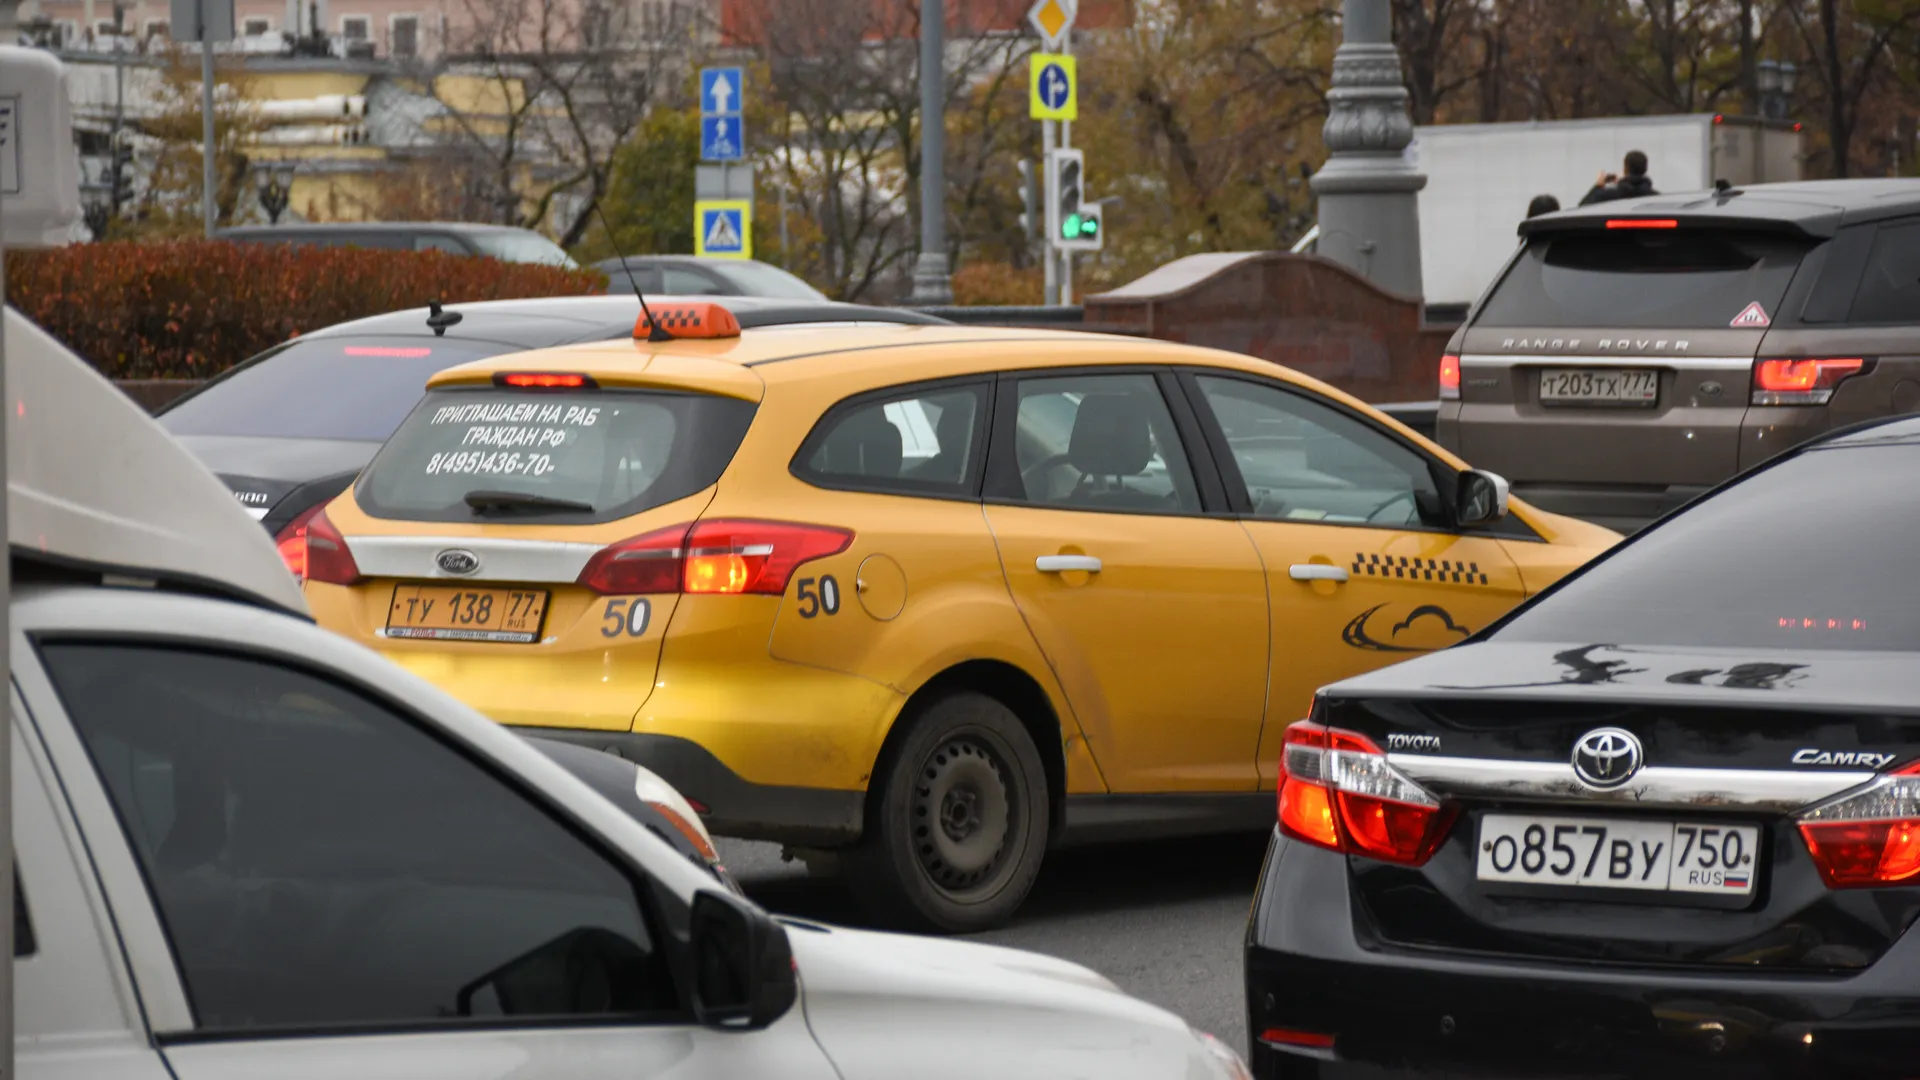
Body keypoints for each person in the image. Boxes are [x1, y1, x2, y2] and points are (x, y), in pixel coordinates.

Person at [1580, 150, 1657, 205]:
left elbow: (1582, 208)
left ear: (1625, 168)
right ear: (1646, 168)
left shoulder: (1607, 195)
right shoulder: (1655, 198)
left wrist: (1598, 185)